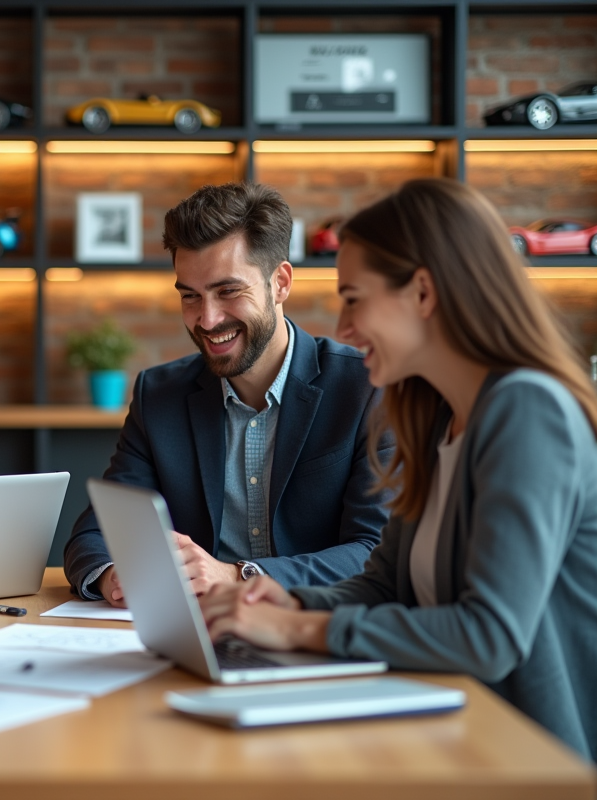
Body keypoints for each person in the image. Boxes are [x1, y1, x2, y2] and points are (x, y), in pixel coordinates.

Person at [201, 178, 597, 761]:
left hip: (530, 757)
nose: (342, 329)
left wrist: (298, 632)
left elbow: (488, 636)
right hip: (447, 729)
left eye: (354, 298)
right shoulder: (438, 418)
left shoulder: (528, 411)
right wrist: (283, 604)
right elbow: (387, 587)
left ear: (423, 293)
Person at [64, 182, 393, 605]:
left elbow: (376, 553)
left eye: (228, 291)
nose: (207, 319)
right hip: (196, 636)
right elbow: (96, 533)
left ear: (280, 283)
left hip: (314, 632)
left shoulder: (365, 388)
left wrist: (237, 577)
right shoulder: (159, 396)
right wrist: (114, 574)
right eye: (190, 296)